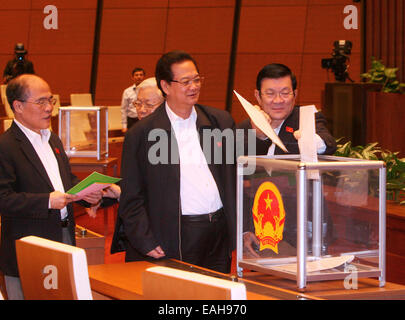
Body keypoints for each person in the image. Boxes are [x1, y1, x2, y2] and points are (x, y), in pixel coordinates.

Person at [113, 50, 236, 273]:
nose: (194, 86)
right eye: (186, 81)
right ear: (166, 86)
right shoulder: (145, 134)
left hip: (218, 233)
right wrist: (144, 239)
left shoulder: (219, 122)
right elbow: (132, 195)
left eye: (197, 80)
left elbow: (231, 177)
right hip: (177, 233)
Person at [0, 74, 104, 299]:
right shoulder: (6, 146)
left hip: (64, 235)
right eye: (41, 102)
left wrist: (88, 194)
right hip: (29, 247)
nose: (49, 108)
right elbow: (4, 198)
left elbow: (65, 181)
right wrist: (47, 201)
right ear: (18, 106)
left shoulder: (53, 140)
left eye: (51, 101)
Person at [236, 63, 336, 257]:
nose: (278, 100)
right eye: (270, 93)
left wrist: (309, 141)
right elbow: (237, 186)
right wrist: (244, 229)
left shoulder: (306, 119)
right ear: (257, 96)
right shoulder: (243, 130)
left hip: (301, 227)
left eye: (285, 93)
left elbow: (328, 142)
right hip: (260, 228)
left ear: (295, 94)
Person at [120, 67, 145, 133]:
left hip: (144, 120)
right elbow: (123, 109)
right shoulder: (127, 91)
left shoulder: (148, 91)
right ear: (133, 77)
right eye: (136, 75)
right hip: (132, 121)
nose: (139, 77)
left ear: (144, 77)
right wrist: (124, 126)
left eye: (141, 75)